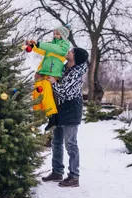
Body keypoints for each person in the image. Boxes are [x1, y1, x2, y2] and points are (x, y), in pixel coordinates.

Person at [40, 47, 89, 187]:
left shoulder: (77, 74)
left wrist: (54, 83)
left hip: (71, 110)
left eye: (72, 52)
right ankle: (57, 172)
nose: (69, 51)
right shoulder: (63, 67)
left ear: (76, 58)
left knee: (70, 144)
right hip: (59, 108)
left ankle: (74, 176)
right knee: (56, 142)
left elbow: (66, 93)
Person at [23, 24, 71, 131]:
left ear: (63, 35)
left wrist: (39, 44)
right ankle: (38, 116)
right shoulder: (50, 44)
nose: (55, 35)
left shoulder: (64, 45)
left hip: (52, 72)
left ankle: (52, 116)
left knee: (46, 93)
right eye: (54, 33)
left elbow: (52, 48)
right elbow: (41, 50)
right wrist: (33, 45)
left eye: (57, 34)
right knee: (37, 91)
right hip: (43, 71)